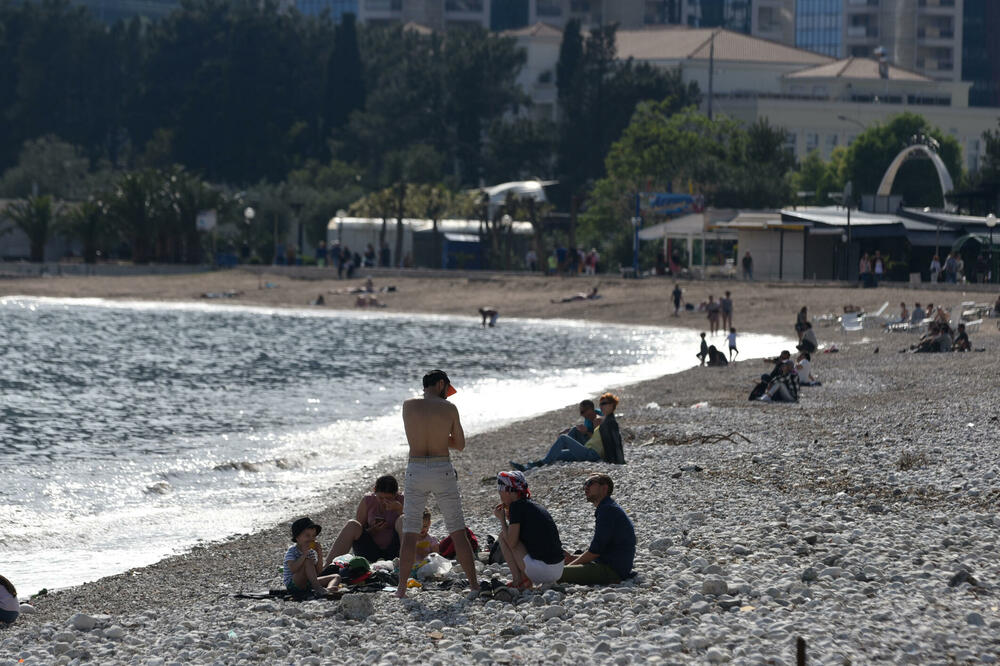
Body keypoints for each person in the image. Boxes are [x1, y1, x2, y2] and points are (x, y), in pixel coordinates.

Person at [396, 370, 479, 598]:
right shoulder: (449, 408)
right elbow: (460, 444)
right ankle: (474, 585)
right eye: (447, 389)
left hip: (416, 467)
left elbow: (415, 435)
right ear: (441, 383)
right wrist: (441, 437)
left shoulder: (408, 406)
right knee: (457, 530)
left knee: (410, 533)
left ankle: (401, 589)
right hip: (442, 467)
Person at [510, 393, 623, 470]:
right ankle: (527, 467)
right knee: (556, 455)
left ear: (613, 406)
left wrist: (617, 461)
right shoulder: (601, 420)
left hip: (592, 454)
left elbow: (615, 442)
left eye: (605, 404)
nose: (602, 406)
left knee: (563, 438)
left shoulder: (605, 420)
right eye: (601, 404)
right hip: (588, 450)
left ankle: (542, 462)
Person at [559, 474, 635, 585]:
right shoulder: (608, 508)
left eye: (590, 483)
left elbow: (595, 552)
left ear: (604, 488)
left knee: (555, 574)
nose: (586, 487)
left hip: (611, 571)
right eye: (585, 484)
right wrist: (573, 558)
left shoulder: (607, 510)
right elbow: (601, 550)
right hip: (609, 564)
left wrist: (571, 565)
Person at [493, 471, 564, 589]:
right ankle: (525, 579)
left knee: (503, 537)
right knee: (511, 536)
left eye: (500, 490)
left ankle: (519, 580)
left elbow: (511, 542)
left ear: (509, 491)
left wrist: (501, 519)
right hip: (558, 569)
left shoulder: (516, 506)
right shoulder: (531, 505)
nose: (499, 493)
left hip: (544, 571)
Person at [325, 475, 404, 565]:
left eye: (389, 498)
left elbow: (416, 527)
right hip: (370, 551)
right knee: (352, 524)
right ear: (374, 490)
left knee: (403, 519)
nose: (384, 501)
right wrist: (373, 530)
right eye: (380, 498)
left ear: (396, 494)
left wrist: (400, 510)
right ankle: (327, 567)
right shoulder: (368, 500)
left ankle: (406, 564)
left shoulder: (402, 500)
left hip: (395, 551)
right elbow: (359, 529)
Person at [284, 517, 341, 599]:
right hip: (293, 584)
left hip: (308, 583)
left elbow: (318, 572)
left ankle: (329, 589)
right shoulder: (292, 551)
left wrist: (319, 553)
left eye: (313, 536)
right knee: (307, 561)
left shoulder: (311, 552)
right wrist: (304, 555)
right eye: (307, 536)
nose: (311, 539)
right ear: (297, 538)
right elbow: (293, 569)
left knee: (336, 577)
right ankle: (319, 589)